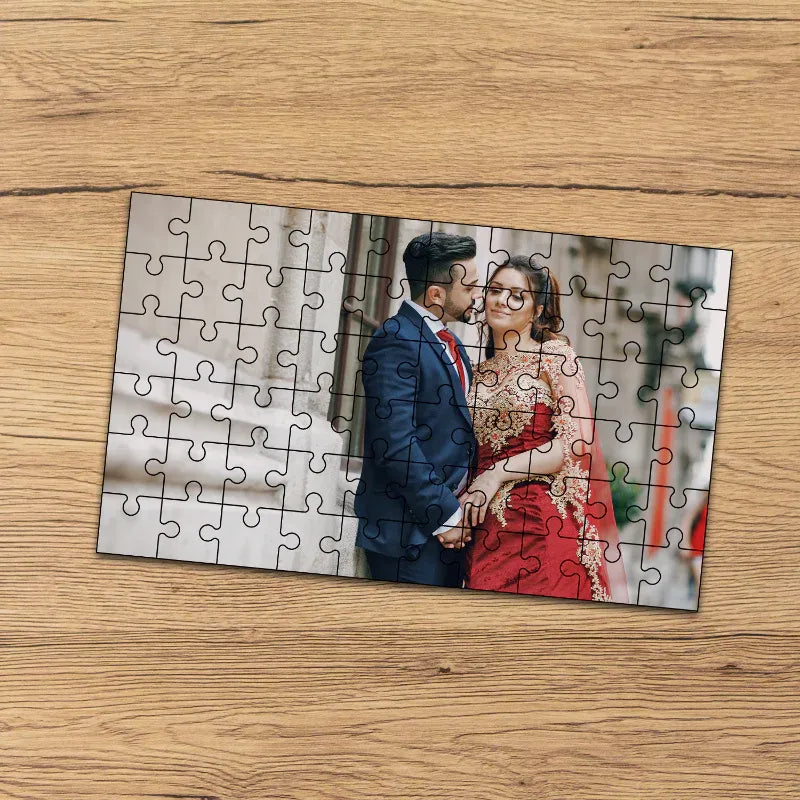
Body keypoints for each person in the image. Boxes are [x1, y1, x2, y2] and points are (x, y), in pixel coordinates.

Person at [460, 255, 628, 602]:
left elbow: (575, 444)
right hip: (485, 529)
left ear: (536, 311)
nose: (501, 301)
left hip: (541, 524)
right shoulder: (474, 373)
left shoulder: (555, 358)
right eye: (495, 290)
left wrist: (496, 474)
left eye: (516, 295)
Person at [355, 231, 482, 587]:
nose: (477, 295)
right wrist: (445, 515)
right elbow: (395, 443)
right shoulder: (395, 339)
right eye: (470, 287)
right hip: (408, 537)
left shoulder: (452, 343)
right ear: (437, 294)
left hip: (450, 532)